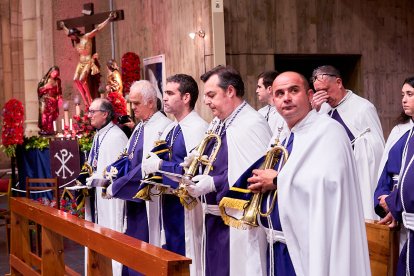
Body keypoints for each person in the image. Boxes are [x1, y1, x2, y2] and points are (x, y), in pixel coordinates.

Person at [246, 71, 371, 275]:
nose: (286, 97)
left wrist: (278, 180)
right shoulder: (284, 136)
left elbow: (328, 186)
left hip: (309, 247)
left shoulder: (329, 131)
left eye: (294, 90)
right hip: (276, 245)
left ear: (310, 96)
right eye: (279, 93)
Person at [185, 65, 272, 276]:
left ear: (230, 91)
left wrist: (214, 182)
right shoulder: (220, 122)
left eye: (211, 95)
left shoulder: (251, 124)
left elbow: (255, 175)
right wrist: (196, 162)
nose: (206, 101)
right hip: (215, 217)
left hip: (239, 222)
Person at [141, 74, 208, 276]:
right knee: (170, 251)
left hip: (186, 204)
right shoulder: (172, 127)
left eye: (170, 93)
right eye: (165, 93)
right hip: (168, 201)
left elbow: (194, 171)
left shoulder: (197, 127)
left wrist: (160, 164)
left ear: (186, 97)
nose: (165, 98)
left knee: (187, 253)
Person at [105, 80, 171, 276]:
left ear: (150, 103)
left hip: (149, 199)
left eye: (136, 103)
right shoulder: (141, 127)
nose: (132, 109)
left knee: (147, 247)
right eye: (131, 103)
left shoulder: (164, 127)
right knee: (132, 246)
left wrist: (118, 186)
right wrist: (111, 173)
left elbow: (147, 166)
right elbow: (128, 156)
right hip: (133, 197)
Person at [311, 65, 385, 219]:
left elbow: (377, 148)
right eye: (318, 92)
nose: (323, 96)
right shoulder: (322, 111)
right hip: (332, 180)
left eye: (326, 90)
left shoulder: (363, 108)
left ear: (338, 82)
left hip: (358, 177)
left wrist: (359, 147)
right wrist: (314, 113)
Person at [85, 98, 128, 275]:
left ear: (105, 114)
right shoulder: (99, 134)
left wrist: (100, 178)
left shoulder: (116, 136)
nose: (89, 116)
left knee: (112, 232)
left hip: (111, 197)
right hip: (97, 195)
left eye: (92, 112)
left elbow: (120, 169)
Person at [379, 77, 414, 275]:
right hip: (402, 217)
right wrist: (386, 200)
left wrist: (393, 201)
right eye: (402, 95)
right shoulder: (405, 134)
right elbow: (387, 171)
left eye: (410, 94)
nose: (404, 100)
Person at [59, 12, 116, 107]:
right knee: (75, 79)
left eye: (72, 36)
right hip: (81, 62)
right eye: (70, 37)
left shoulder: (86, 37)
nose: (71, 38)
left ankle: (89, 99)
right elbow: (67, 32)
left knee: (82, 79)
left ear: (76, 34)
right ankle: (85, 99)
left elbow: (97, 29)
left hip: (88, 61)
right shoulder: (76, 42)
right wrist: (63, 26)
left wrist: (108, 19)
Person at [37, 66, 62, 135]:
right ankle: (44, 129)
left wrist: (59, 98)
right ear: (50, 72)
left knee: (51, 117)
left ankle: (50, 129)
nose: (55, 74)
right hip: (45, 101)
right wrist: (45, 87)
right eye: (54, 72)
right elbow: (39, 90)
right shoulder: (44, 80)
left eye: (56, 73)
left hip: (53, 101)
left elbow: (59, 91)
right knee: (44, 116)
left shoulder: (57, 81)